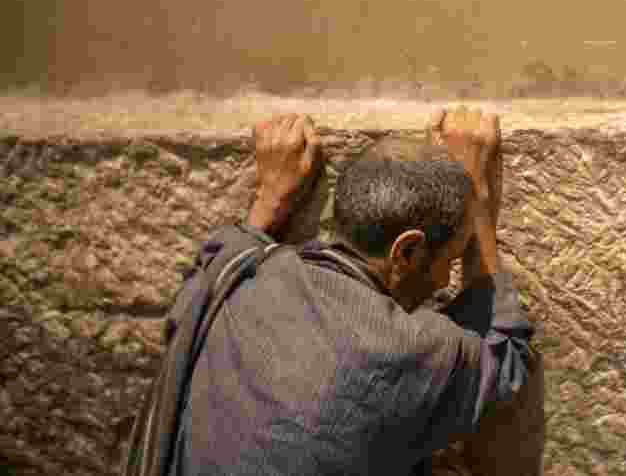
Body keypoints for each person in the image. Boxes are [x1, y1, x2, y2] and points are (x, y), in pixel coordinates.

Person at [124, 107, 536, 476]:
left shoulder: (241, 282)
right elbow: (504, 353)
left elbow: (221, 257)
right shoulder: (407, 350)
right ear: (406, 252)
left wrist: (270, 196)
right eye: (451, 256)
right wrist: (479, 204)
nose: (448, 277)